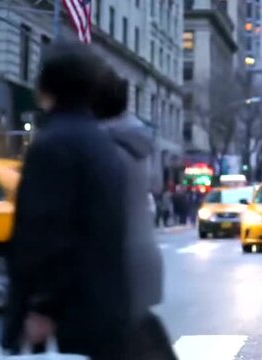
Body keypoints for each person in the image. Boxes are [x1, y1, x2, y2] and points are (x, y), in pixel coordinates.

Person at [1, 42, 129, 359]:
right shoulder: (102, 143)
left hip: (67, 319)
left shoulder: (52, 145)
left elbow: (45, 234)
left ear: (46, 85)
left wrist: (41, 307)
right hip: (102, 310)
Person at [91, 66, 175, 359]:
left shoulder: (101, 145)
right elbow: (154, 187)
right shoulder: (138, 140)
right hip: (142, 259)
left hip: (113, 267)